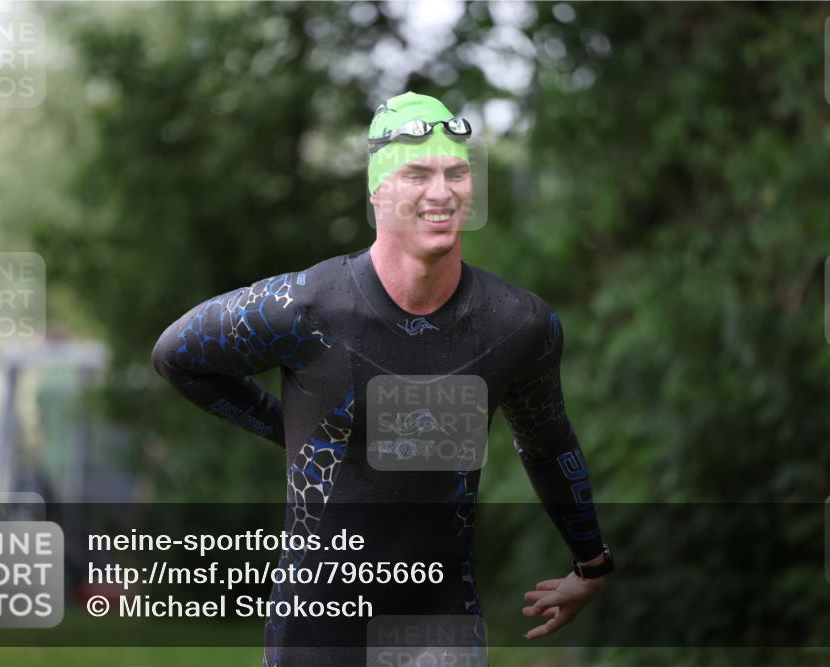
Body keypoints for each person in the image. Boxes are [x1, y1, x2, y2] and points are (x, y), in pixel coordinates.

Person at [152, 91, 614, 666]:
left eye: (457, 173)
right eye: (417, 174)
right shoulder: (306, 310)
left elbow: (547, 443)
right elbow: (177, 354)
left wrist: (590, 563)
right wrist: (284, 431)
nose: (442, 193)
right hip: (316, 633)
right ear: (378, 192)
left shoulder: (518, 326)